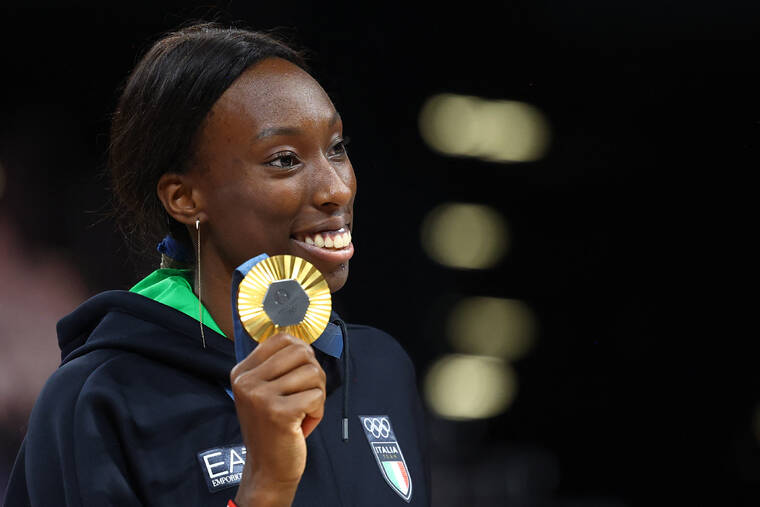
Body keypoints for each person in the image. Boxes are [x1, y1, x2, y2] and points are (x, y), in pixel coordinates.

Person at [3, 23, 429, 506]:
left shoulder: (380, 369)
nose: (337, 188)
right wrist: (264, 487)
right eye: (285, 159)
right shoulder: (99, 399)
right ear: (184, 197)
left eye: (337, 148)